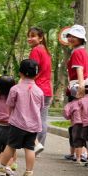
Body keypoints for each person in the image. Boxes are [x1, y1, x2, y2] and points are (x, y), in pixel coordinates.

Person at [0, 59, 43, 176]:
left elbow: (10, 104)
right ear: (37, 74)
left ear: (20, 73)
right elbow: (39, 107)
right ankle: (29, 173)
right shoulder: (39, 91)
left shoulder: (15, 89)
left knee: (11, 146)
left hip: (17, 123)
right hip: (33, 125)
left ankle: (2, 167)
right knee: (29, 148)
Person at [27, 26, 52, 155]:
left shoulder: (36, 50)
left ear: (41, 38)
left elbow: (32, 71)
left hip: (37, 88)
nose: (29, 38)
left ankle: (34, 145)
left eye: (33, 36)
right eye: (29, 36)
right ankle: (39, 145)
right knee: (42, 119)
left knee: (31, 118)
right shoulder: (46, 51)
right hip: (47, 90)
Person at [63, 90, 85, 163]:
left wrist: (70, 116)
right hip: (86, 124)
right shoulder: (86, 101)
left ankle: (76, 157)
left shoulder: (70, 104)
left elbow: (66, 114)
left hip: (76, 125)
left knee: (75, 141)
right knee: (86, 142)